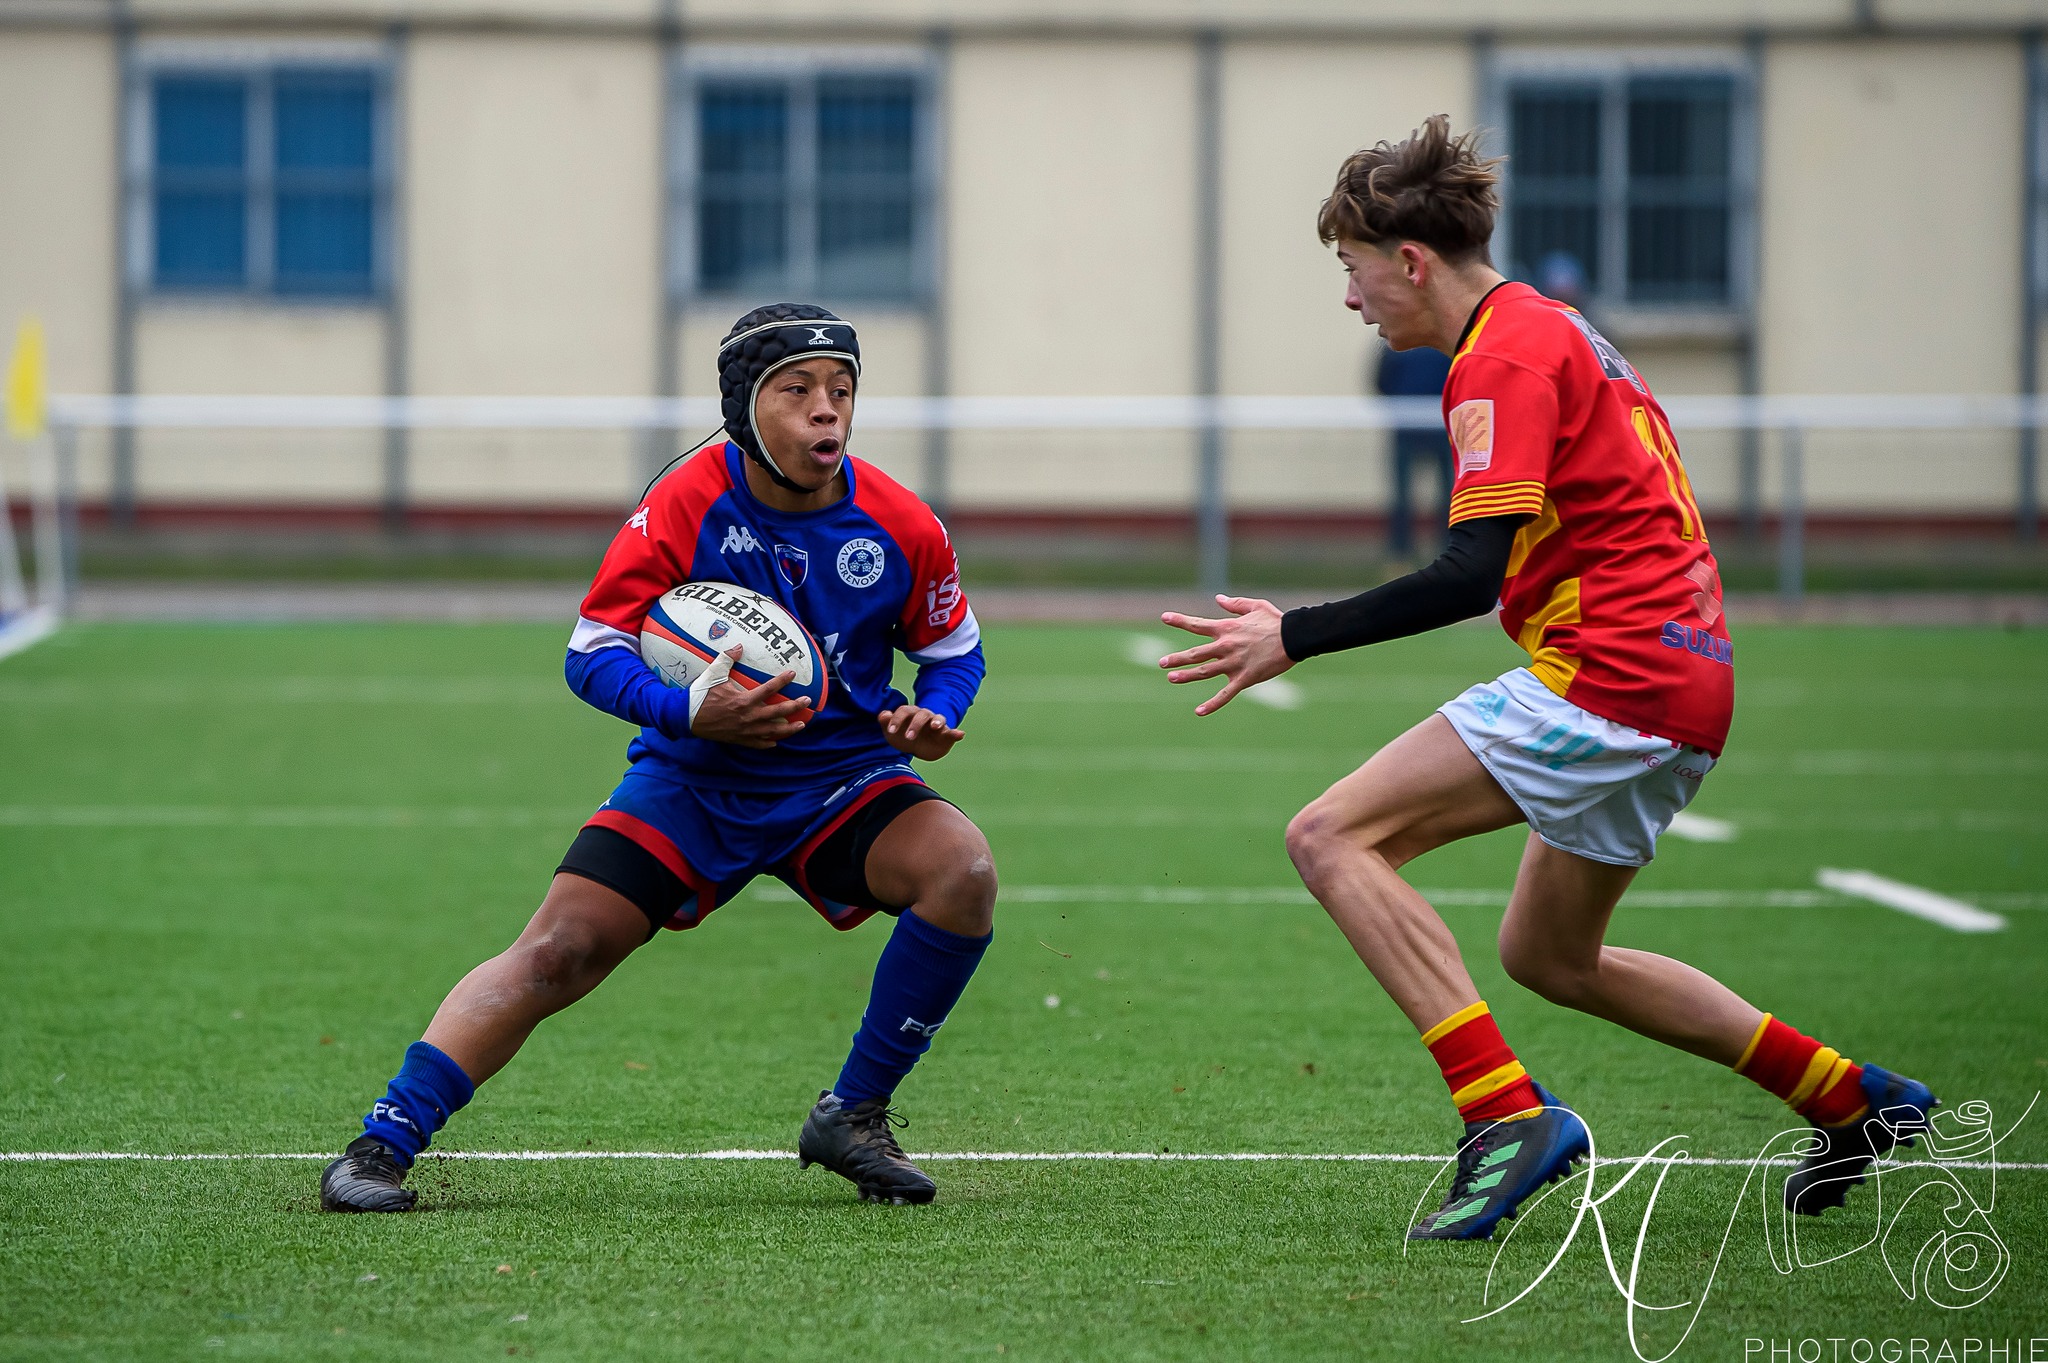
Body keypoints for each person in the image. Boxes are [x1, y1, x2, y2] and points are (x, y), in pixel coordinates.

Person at [1157, 116, 1936, 1241]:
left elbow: (1466, 575)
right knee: (1548, 956)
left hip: (1612, 674)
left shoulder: (1500, 357)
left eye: (1351, 269)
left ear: (1409, 262)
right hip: (1680, 678)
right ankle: (1847, 1096)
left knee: (1330, 838)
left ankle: (1503, 1116)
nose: (1349, 298)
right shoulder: (1545, 329)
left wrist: (1296, 633)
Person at [320, 303, 996, 1211]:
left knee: (963, 871)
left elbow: (954, 650)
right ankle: (382, 1141)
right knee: (558, 950)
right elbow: (592, 651)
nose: (827, 411)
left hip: (840, 780)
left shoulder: (902, 523)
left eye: (842, 391)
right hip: (695, 781)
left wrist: (935, 714)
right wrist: (689, 708)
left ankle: (855, 1112)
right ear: (744, 407)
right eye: (797, 391)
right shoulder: (685, 501)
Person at [1375, 339, 1453, 558]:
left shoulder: (1445, 341)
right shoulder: (1395, 343)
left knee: (1448, 493)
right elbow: (1383, 381)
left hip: (1442, 428)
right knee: (1405, 495)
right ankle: (1403, 551)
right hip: (1409, 428)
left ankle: (1444, 549)